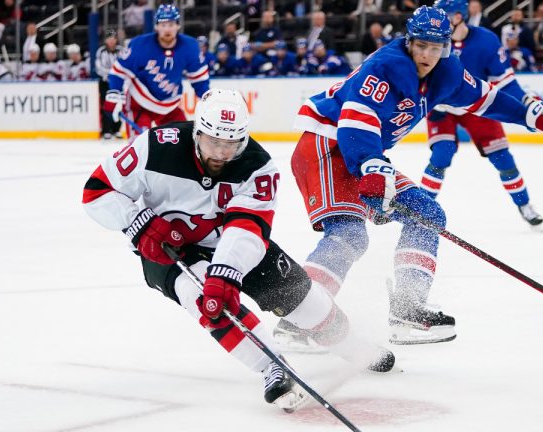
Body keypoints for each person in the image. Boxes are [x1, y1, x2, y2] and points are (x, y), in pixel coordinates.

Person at [276, 6, 543, 347]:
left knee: (428, 215)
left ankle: (408, 308)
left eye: (436, 47)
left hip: (364, 155)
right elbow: (355, 121)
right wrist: (372, 165)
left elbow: (487, 99)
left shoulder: (448, 72)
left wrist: (537, 116)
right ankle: (301, 321)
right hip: (327, 146)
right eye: (421, 45)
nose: (428, 55)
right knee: (349, 233)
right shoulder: (383, 68)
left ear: (446, 47)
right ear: (409, 41)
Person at [82, 89, 395, 408]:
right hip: (167, 248)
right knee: (205, 300)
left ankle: (354, 346)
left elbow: (246, 228)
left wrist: (226, 273)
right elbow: (97, 191)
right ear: (197, 133)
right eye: (213, 142)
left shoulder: (258, 167)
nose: (220, 152)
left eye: (230, 144)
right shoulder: (154, 146)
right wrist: (138, 223)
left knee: (303, 300)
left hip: (230, 240)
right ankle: (272, 366)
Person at [422, 0, 543, 228]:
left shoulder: (487, 40)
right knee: (442, 154)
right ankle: (419, 211)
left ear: (459, 16)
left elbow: (506, 83)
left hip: (477, 105)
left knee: (503, 158)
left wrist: (526, 101)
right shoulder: (432, 38)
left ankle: (525, 205)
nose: (437, 21)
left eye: (444, 15)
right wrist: (432, 100)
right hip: (443, 107)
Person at [105, 4, 209, 142]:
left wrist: (207, 99)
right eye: (163, 24)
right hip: (139, 104)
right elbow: (118, 71)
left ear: (178, 26)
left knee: (185, 143)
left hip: (169, 106)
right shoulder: (140, 45)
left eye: (171, 24)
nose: (167, 29)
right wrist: (115, 92)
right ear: (156, 26)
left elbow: (199, 79)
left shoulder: (190, 47)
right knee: (140, 147)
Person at [96, 29, 123, 139]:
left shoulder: (121, 50)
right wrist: (112, 74)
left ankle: (116, 129)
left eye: (113, 38)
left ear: (116, 40)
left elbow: (124, 65)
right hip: (105, 82)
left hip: (119, 82)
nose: (111, 41)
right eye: (109, 39)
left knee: (119, 104)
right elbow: (99, 68)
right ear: (106, 40)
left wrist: (117, 75)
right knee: (106, 106)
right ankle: (106, 130)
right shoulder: (101, 51)